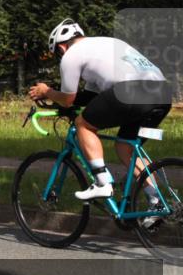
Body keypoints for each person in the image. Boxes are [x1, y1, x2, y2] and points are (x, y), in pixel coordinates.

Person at [28, 19, 172, 206]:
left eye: (57, 53)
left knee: (83, 125)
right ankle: (157, 201)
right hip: (161, 92)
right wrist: (58, 97)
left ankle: (102, 182)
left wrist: (46, 91)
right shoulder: (107, 43)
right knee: (125, 148)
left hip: (130, 91)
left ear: (62, 47)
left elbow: (67, 99)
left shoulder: (72, 54)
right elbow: (89, 96)